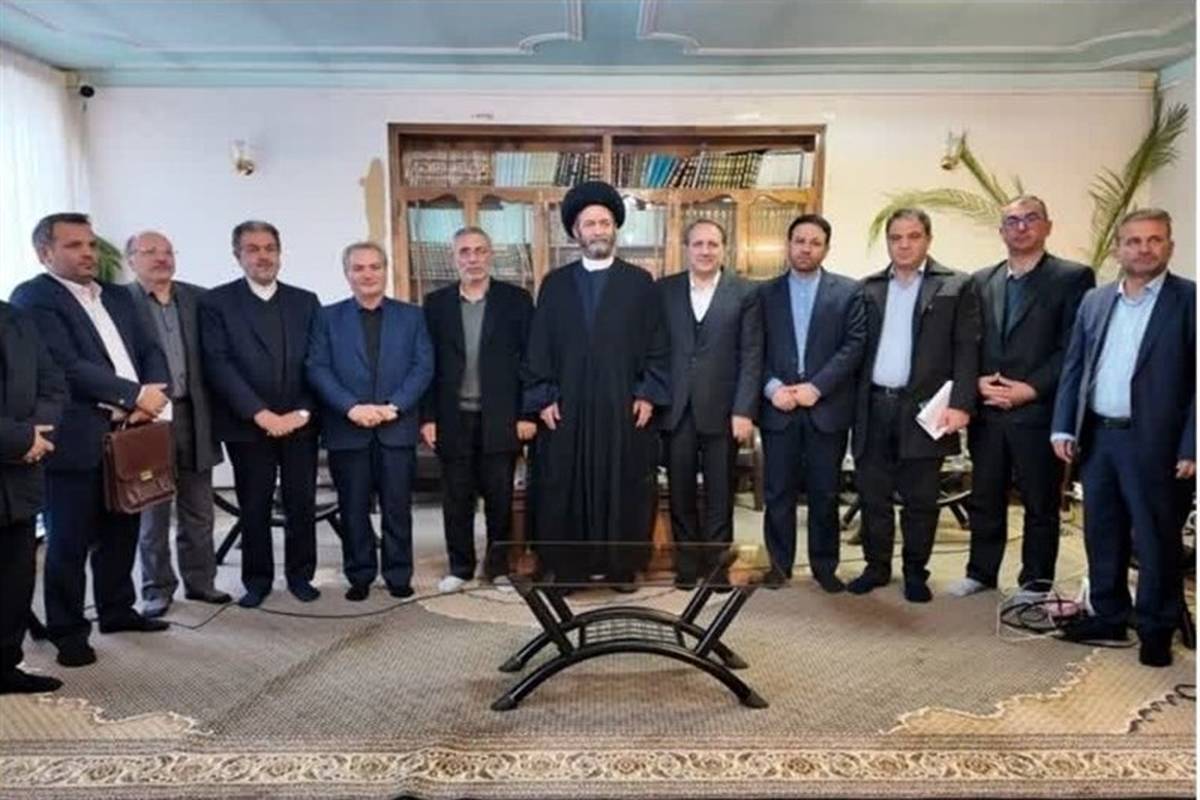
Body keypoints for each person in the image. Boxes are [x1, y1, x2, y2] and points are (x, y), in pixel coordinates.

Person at [11, 213, 172, 668]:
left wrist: (153, 395)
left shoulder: (117, 295)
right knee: (69, 541)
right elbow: (65, 365)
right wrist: (133, 394)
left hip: (130, 431)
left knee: (122, 528)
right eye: (74, 245)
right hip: (76, 437)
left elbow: (150, 348)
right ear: (45, 253)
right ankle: (67, 630)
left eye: (90, 244)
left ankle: (117, 610)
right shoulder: (34, 298)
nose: (87, 253)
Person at [1051, 208, 1194, 668]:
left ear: (1169, 246)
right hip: (1099, 438)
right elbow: (1075, 366)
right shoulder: (1095, 302)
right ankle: (1109, 615)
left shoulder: (1189, 301)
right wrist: (1064, 424)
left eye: (1154, 240)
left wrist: (1192, 444)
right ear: (1118, 249)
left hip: (1157, 444)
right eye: (1133, 241)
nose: (1143, 249)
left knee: (1155, 541)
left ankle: (1156, 628)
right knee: (1102, 533)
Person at [523, 180, 670, 583]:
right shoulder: (555, 284)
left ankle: (622, 568)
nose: (598, 231)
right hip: (566, 408)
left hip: (622, 407)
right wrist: (543, 397)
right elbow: (538, 347)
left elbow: (658, 344)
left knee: (624, 484)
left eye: (605, 223)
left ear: (615, 228)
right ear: (576, 232)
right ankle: (568, 569)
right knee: (563, 486)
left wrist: (648, 394)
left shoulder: (639, 283)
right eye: (589, 224)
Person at [949, 197, 1094, 599]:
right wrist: (977, 382)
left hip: (1038, 411)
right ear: (1001, 231)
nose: (1021, 227)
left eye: (1031, 219)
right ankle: (980, 572)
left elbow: (1073, 348)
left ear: (1047, 226)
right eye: (1012, 221)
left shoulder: (1072, 278)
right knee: (985, 498)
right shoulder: (982, 280)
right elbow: (970, 342)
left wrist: (1030, 389)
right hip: (989, 412)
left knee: (1040, 503)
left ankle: (1035, 581)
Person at [848, 208, 981, 602]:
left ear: (928, 239)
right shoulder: (868, 288)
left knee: (920, 499)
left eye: (913, 236)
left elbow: (967, 349)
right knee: (873, 496)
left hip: (925, 411)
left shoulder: (956, 285)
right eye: (896, 238)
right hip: (874, 406)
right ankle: (876, 567)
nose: (904, 245)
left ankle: (914, 573)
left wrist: (962, 404)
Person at [199, 220, 321, 608]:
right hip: (247, 426)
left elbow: (318, 362)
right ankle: (257, 580)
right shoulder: (216, 303)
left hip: (300, 423)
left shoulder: (306, 301)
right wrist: (260, 414)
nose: (262, 256)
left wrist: (302, 412)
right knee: (254, 505)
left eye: (269, 248)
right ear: (238, 256)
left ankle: (301, 575)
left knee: (301, 503)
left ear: (280, 254)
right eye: (252, 249)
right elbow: (218, 364)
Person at [307, 242, 433, 600]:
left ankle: (398, 573)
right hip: (347, 428)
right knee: (353, 508)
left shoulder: (413, 316)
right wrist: (351, 408)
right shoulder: (326, 317)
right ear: (347, 273)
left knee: (398, 508)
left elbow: (423, 366)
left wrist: (395, 407)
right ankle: (359, 575)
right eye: (359, 268)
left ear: (386, 270)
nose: (367, 274)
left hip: (397, 428)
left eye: (375, 267)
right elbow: (317, 367)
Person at [420, 227, 535, 592]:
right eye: (465, 252)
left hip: (501, 416)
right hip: (452, 416)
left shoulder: (517, 301)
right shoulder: (435, 304)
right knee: (456, 498)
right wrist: (428, 417)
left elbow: (531, 361)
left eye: (480, 250)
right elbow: (426, 365)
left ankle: (498, 569)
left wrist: (527, 414)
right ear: (454, 258)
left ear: (490, 255)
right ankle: (460, 567)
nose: (473, 258)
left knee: (500, 499)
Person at [125, 231, 232, 617]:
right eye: (150, 252)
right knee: (152, 511)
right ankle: (156, 589)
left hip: (194, 414)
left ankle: (202, 582)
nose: (161, 258)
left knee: (199, 508)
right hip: (147, 421)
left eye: (167, 251)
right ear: (131, 260)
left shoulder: (200, 298)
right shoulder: (120, 302)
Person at [759, 214, 866, 591]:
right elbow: (753, 349)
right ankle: (778, 565)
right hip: (779, 408)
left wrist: (817, 388)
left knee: (825, 492)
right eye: (799, 241)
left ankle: (825, 567)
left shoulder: (849, 292)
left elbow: (854, 346)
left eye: (815, 242)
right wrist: (772, 388)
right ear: (788, 245)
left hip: (827, 408)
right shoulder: (763, 294)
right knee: (778, 492)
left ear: (826, 248)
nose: (806, 248)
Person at [658, 219, 762, 587]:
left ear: (724, 248)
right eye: (698, 244)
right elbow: (656, 350)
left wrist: (744, 410)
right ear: (686, 248)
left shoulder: (745, 292)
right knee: (681, 491)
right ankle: (687, 565)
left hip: (724, 410)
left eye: (713, 244)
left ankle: (718, 568)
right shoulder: (664, 290)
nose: (705, 251)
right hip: (676, 409)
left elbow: (752, 355)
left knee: (721, 492)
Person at [0, 301, 66, 692]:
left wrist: (37, 435)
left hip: (21, 476)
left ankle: (5, 667)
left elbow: (53, 382)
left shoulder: (15, 317)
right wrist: (21, 438)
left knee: (15, 577)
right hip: (18, 446)